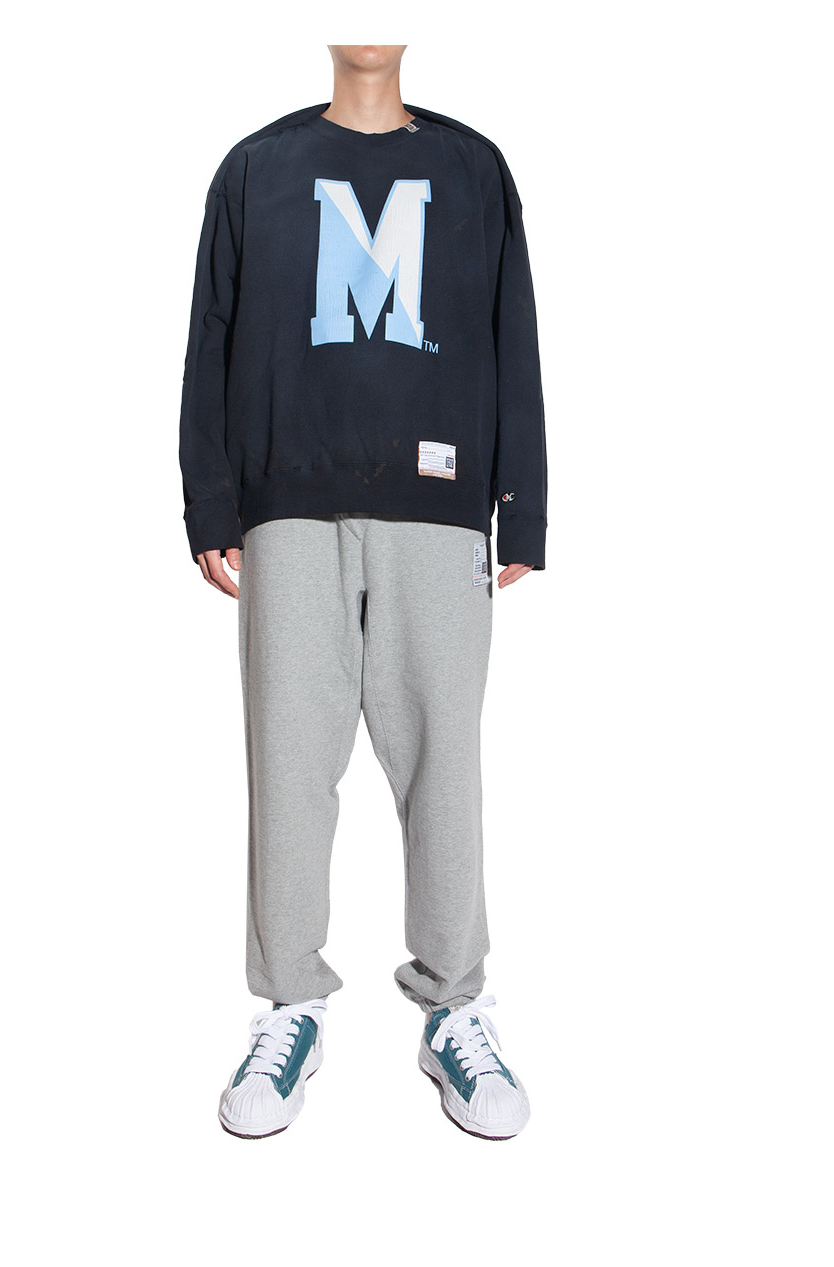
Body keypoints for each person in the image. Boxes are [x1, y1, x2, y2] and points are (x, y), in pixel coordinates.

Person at [180, 45, 547, 1139]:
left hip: (440, 502)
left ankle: (454, 1007)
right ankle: (290, 1003)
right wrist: (209, 500)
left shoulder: (474, 168)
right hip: (287, 502)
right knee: (288, 764)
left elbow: (511, 330)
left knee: (445, 765)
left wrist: (521, 502)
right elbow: (210, 337)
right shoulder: (257, 167)